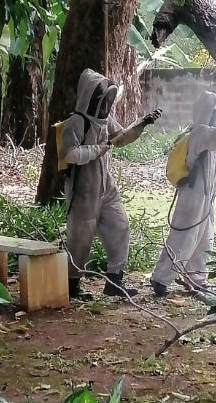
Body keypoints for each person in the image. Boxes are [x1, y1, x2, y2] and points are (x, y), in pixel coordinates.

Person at [59, 68, 162, 301]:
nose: (105, 103)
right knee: (80, 239)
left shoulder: (104, 120)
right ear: (91, 97)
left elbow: (121, 138)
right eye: (102, 98)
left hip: (105, 184)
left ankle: (114, 281)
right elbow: (68, 154)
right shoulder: (75, 122)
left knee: (120, 226)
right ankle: (71, 285)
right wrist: (96, 150)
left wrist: (142, 124)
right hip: (83, 189)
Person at [150, 90, 216, 297]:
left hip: (205, 197)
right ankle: (161, 279)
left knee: (203, 240)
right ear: (207, 112)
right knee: (183, 238)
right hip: (193, 197)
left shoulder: (204, 134)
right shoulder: (201, 132)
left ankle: (197, 279)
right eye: (215, 111)